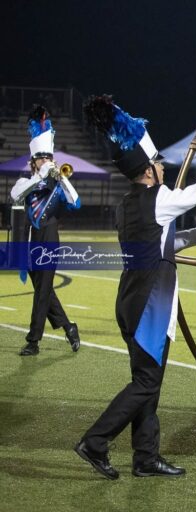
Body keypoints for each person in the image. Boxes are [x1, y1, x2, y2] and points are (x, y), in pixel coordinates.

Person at [73, 95, 196, 479]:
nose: (162, 168)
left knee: (148, 382)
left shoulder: (128, 204)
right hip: (151, 305)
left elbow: (156, 241)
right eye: (158, 164)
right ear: (148, 171)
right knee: (146, 383)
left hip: (131, 300)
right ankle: (95, 441)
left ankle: (146, 458)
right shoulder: (161, 198)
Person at [9, 105, 81, 356]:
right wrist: (40, 176)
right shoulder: (24, 182)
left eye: (49, 159)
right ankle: (69, 327)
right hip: (29, 241)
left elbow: (76, 202)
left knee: (41, 293)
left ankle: (33, 341)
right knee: (45, 291)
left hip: (49, 240)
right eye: (42, 159)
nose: (47, 163)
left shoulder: (58, 188)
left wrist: (62, 178)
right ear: (33, 162)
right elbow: (16, 194)